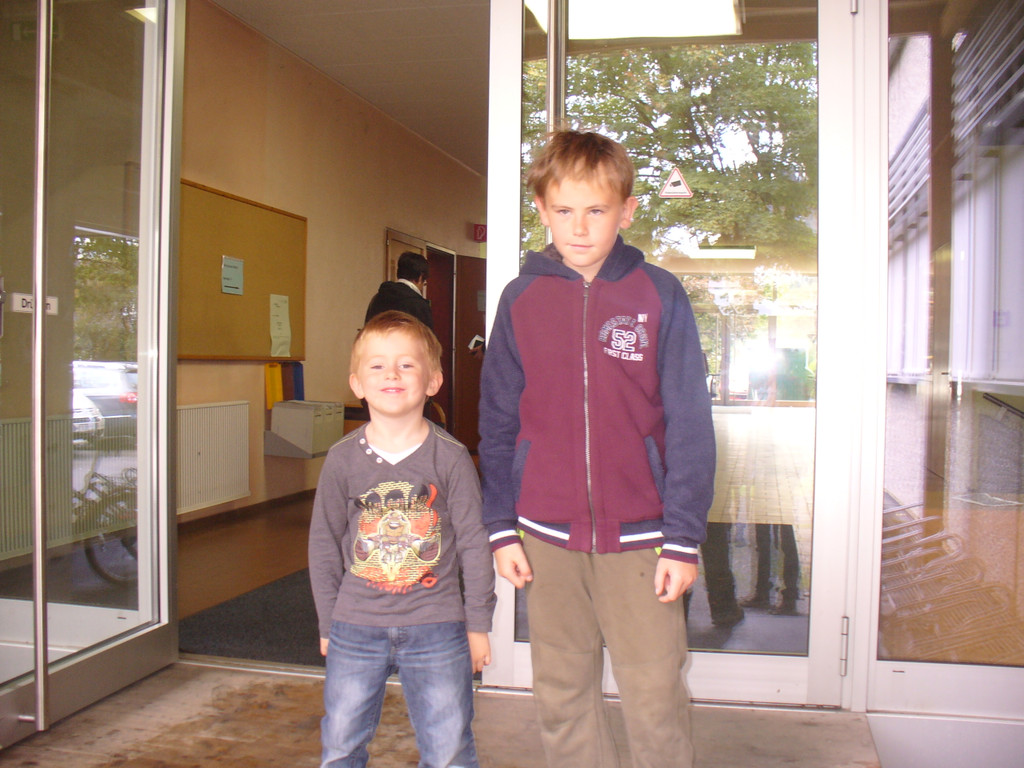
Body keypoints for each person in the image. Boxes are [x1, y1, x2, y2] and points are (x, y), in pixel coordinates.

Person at [478, 129, 716, 768]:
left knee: (655, 694)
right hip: (544, 536)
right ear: (541, 210)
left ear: (627, 211)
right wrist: (500, 527)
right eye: (563, 210)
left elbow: (690, 423)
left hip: (643, 539)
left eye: (596, 210)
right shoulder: (520, 300)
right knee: (562, 693)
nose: (579, 227)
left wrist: (682, 538)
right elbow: (497, 422)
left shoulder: (658, 294)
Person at [309, 310, 496, 768]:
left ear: (433, 381)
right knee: (341, 744)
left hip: (438, 626)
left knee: (449, 748)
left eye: (406, 364)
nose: (391, 374)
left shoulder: (451, 458)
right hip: (355, 626)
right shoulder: (341, 460)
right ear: (357, 383)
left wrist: (477, 625)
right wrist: (328, 623)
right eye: (377, 365)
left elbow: (474, 544)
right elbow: (324, 543)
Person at [365, 250, 433, 329]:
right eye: (425, 280)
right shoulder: (418, 305)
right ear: (421, 276)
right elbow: (425, 335)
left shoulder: (377, 298)